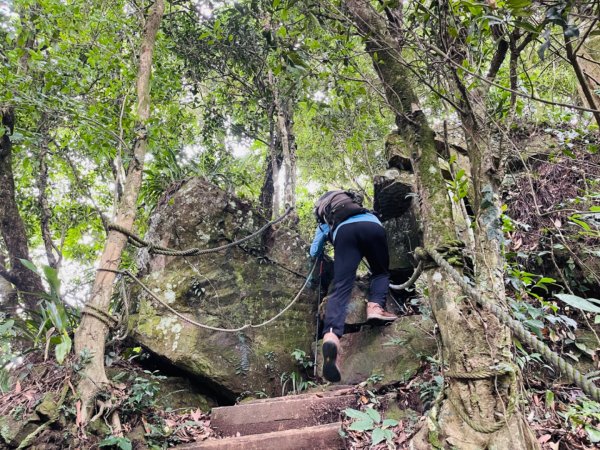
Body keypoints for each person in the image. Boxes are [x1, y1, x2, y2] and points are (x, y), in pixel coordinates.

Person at [310, 190, 397, 382]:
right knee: (381, 272)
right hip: (372, 226)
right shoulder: (363, 210)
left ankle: (331, 337)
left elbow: (314, 250)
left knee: (341, 287)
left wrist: (321, 248)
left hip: (344, 233)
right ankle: (374, 307)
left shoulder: (327, 220)